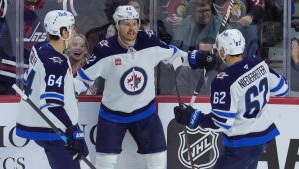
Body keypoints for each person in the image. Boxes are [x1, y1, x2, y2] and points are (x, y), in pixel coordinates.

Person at [74, 5, 216, 169]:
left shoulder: (149, 42)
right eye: (126, 24)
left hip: (145, 113)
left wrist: (198, 57)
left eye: (135, 23)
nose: (132, 28)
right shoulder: (104, 50)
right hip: (112, 116)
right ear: (117, 25)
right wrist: (65, 90)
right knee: (105, 163)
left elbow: (174, 54)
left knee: (158, 160)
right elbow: (82, 80)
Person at [173, 29, 289, 169]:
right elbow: (283, 89)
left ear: (223, 51)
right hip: (263, 138)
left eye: (218, 51)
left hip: (242, 143)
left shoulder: (223, 81)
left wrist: (194, 117)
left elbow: (221, 122)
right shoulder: (258, 63)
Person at [16, 10, 89, 169]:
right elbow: (51, 103)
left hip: (45, 124)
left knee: (79, 157)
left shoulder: (40, 48)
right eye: (72, 28)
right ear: (64, 32)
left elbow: (46, 82)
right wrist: (72, 131)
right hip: (52, 128)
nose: (75, 33)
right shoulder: (56, 63)